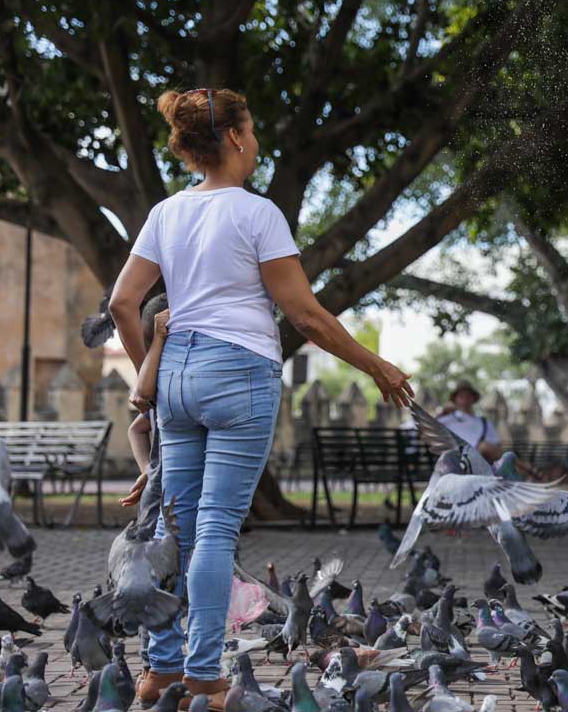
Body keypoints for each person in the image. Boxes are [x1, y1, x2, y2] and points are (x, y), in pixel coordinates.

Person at [109, 88, 414, 711]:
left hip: (178, 372)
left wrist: (152, 378)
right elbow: (303, 313)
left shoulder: (166, 213)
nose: (258, 141)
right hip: (238, 374)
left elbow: (122, 303)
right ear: (236, 140)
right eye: (252, 129)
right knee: (216, 530)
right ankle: (203, 677)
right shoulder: (258, 213)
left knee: (181, 529)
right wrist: (375, 365)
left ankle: (160, 672)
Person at [120, 294, 169, 508]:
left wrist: (148, 470)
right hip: (165, 493)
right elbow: (136, 428)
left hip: (161, 491)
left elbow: (136, 429)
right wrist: (149, 470)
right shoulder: (161, 387)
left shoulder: (161, 384)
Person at [437, 379, 502, 460]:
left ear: (473, 398)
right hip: (458, 460)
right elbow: (426, 432)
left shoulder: (484, 422)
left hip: (484, 462)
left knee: (489, 448)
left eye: (468, 396)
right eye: (461, 396)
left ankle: (521, 468)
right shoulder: (446, 419)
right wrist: (442, 413)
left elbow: (497, 446)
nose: (465, 399)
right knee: (484, 446)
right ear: (455, 399)